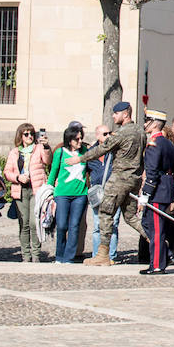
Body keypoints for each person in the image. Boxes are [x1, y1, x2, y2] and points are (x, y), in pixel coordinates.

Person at [68, 101, 149, 266]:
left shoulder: (121, 133)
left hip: (119, 178)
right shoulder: (141, 132)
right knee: (130, 217)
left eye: (116, 113)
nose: (113, 116)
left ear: (125, 114)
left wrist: (79, 159)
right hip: (134, 178)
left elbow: (101, 149)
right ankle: (155, 239)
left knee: (105, 212)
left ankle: (103, 254)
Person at [139, 109, 174, 275]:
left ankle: (156, 265)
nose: (144, 124)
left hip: (157, 191)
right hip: (166, 187)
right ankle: (163, 256)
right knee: (150, 225)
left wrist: (146, 194)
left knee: (156, 229)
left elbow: (152, 172)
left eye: (147, 121)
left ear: (154, 123)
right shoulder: (169, 143)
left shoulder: (154, 144)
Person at [4, 123, 51, 262]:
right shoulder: (14, 152)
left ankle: (36, 254)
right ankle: (26, 255)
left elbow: (48, 161)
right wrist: (18, 177)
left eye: (31, 134)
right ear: (21, 136)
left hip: (36, 189)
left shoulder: (39, 148)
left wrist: (47, 147)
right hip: (20, 190)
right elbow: (7, 172)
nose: (30, 136)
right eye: (26, 134)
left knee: (34, 222)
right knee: (23, 223)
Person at [47, 125, 90, 264]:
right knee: (61, 225)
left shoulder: (85, 152)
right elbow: (53, 172)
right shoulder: (60, 152)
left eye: (81, 138)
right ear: (69, 140)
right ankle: (59, 255)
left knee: (75, 225)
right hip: (62, 194)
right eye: (76, 139)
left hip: (80, 194)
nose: (80, 141)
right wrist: (49, 190)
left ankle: (69, 257)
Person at [86, 124, 119, 263]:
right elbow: (85, 172)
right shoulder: (91, 153)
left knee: (113, 224)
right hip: (97, 193)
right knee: (97, 226)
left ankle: (110, 256)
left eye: (109, 133)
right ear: (97, 136)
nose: (108, 136)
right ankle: (97, 255)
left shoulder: (115, 152)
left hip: (114, 192)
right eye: (104, 134)